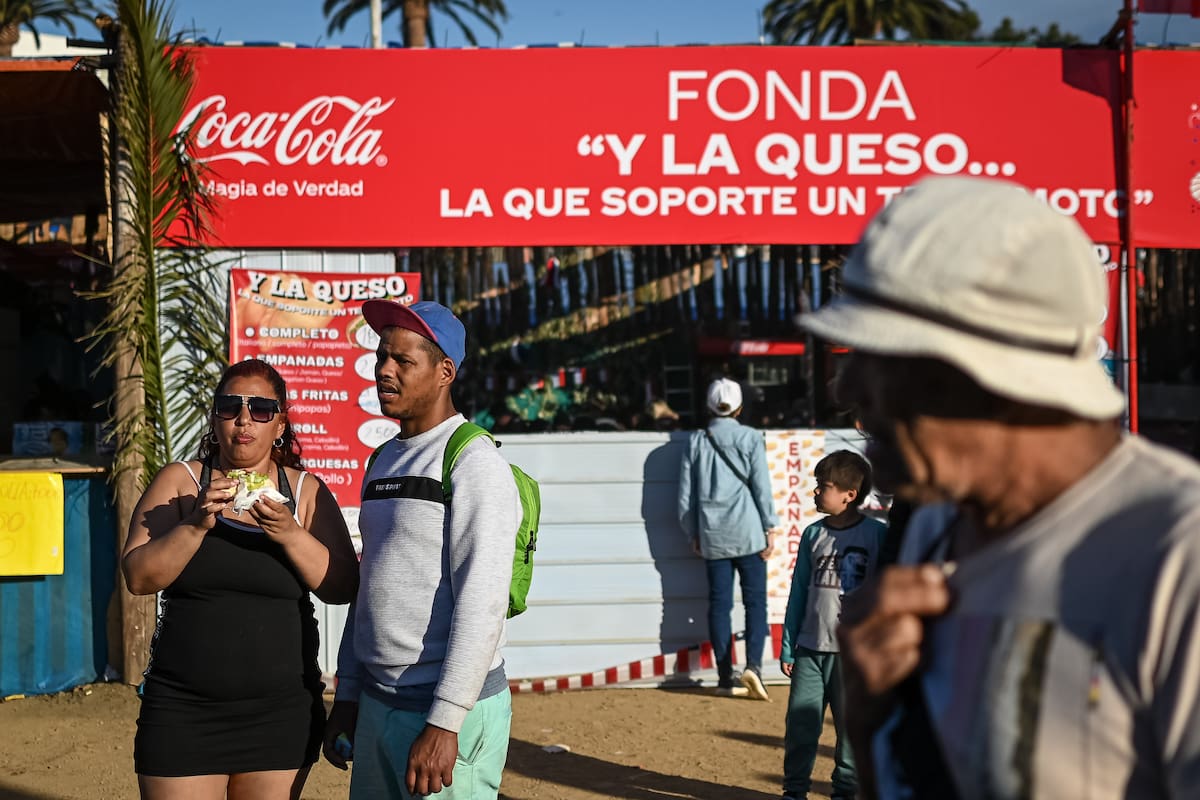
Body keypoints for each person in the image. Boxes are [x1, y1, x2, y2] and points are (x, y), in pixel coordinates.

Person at [799, 175, 1200, 799]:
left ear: (997, 374)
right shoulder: (936, 527)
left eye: (884, 360)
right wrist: (878, 721)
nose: (848, 392)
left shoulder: (1176, 554)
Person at [122, 358, 359, 800]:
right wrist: (193, 526)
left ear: (280, 425)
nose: (244, 419)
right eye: (230, 406)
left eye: (261, 409)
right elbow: (137, 577)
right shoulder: (182, 482)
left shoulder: (305, 492)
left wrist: (290, 533)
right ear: (215, 419)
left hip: (279, 716)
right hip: (182, 711)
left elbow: (342, 586)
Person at [323, 300, 519, 799]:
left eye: (403, 361)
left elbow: (483, 603)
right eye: (381, 357)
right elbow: (371, 588)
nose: (384, 371)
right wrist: (347, 693)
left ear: (444, 372)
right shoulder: (383, 460)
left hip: (445, 714)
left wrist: (446, 723)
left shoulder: (473, 462)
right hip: (378, 702)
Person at [779, 450, 886, 800]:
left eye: (822, 486)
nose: (815, 492)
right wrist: (788, 643)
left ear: (849, 494)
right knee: (800, 726)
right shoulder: (813, 534)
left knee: (851, 733)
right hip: (809, 650)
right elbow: (799, 591)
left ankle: (845, 792)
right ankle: (794, 792)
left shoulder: (877, 535)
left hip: (853, 655)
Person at [678, 377, 780, 700]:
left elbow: (684, 496)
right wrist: (770, 527)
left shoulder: (696, 441)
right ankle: (754, 667)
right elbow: (762, 487)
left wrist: (692, 531)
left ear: (709, 406)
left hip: (712, 532)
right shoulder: (751, 438)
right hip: (749, 531)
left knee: (719, 605)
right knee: (755, 603)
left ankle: (724, 675)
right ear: (739, 408)